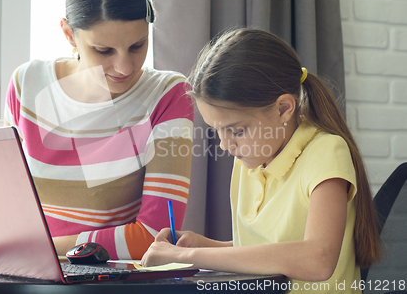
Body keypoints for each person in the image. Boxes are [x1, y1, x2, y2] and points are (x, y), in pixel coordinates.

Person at [141, 28, 381, 293]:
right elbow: (265, 251)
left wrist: (186, 257)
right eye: (216, 131)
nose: (224, 145)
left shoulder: (326, 151)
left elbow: (318, 259)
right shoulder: (249, 158)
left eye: (237, 130)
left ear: (283, 109)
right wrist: (203, 245)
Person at [4, 0, 193, 260]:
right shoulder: (27, 85)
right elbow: (8, 213)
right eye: (104, 51)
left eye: (137, 45)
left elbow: (155, 237)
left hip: (112, 280)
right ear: (69, 34)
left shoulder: (168, 95)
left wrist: (44, 248)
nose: (124, 66)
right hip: (30, 272)